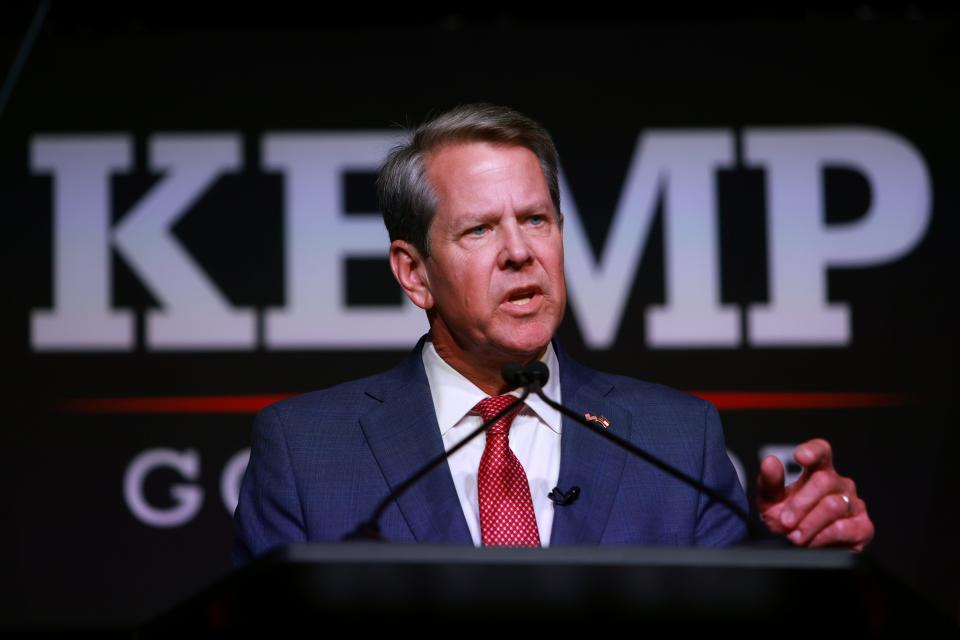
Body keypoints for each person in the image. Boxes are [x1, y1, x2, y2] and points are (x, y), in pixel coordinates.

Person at [232, 103, 874, 564]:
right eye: (480, 229)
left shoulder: (677, 441)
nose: (520, 252)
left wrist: (800, 567)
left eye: (537, 219)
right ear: (414, 272)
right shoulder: (306, 453)